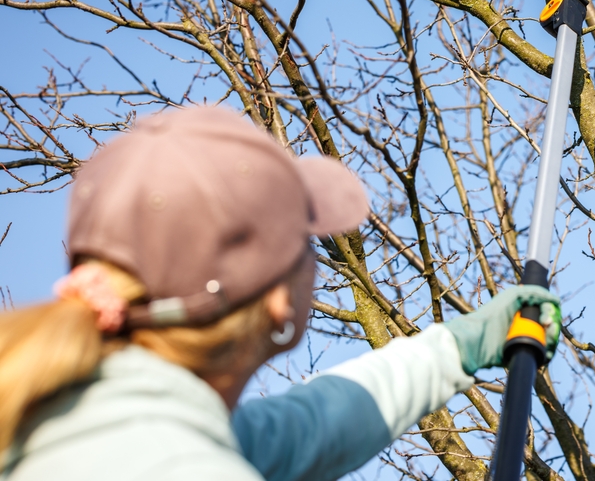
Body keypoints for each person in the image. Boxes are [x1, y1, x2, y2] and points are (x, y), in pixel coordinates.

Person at [0, 106, 560, 481]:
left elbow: (317, 422)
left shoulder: (75, 418)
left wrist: (459, 346)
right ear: (276, 299)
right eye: (306, 243)